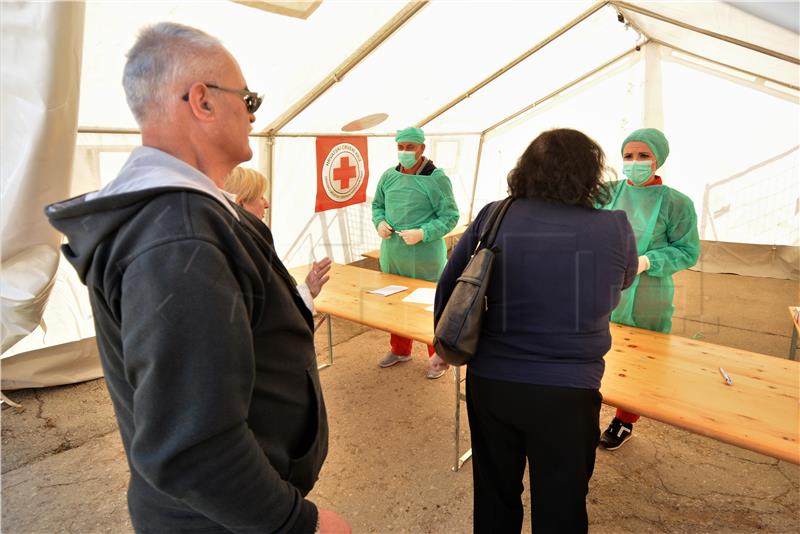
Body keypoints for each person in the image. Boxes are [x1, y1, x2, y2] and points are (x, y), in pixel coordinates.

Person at [45, 23, 349, 533]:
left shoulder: (190, 216)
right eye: (248, 98)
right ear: (202, 101)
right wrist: (299, 524)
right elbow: (193, 444)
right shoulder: (178, 235)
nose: (254, 114)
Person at [434, 128, 638, 533]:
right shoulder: (614, 226)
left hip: (493, 380)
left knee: (494, 496)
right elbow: (625, 280)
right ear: (590, 174)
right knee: (561, 505)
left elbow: (450, 286)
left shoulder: (495, 215)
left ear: (525, 169)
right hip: (570, 389)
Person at [598, 128, 700, 451]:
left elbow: (687, 250)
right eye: (629, 156)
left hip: (649, 294)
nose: (635, 162)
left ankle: (625, 418)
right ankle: (588, 402)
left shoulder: (676, 203)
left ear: (658, 159)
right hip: (606, 287)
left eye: (643, 156)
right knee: (598, 348)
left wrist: (648, 260)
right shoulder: (606, 193)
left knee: (642, 360)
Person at [372, 126, 459, 379]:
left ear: (422, 148)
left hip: (425, 257)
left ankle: (437, 355)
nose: (405, 151)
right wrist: (379, 222)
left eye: (410, 147)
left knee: (430, 306)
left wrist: (424, 232)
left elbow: (450, 216)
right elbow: (377, 205)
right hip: (393, 252)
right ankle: (400, 350)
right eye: (401, 147)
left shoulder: (436, 178)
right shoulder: (389, 176)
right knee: (395, 304)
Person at [224, 166, 331, 312]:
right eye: (261, 197)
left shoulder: (240, 243)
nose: (266, 204)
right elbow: (273, 314)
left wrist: (307, 289)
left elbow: (275, 303)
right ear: (241, 204)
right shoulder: (245, 251)